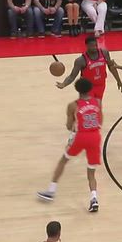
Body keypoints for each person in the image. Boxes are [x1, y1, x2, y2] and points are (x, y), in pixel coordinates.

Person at [36, 79, 104, 210]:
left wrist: (73, 126)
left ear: (77, 89)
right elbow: (100, 120)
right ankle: (94, 199)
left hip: (81, 136)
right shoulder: (97, 102)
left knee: (63, 161)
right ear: (90, 89)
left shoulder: (73, 105)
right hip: (95, 136)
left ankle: (51, 191)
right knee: (91, 172)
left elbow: (69, 126)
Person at [57, 36, 122, 100]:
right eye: (92, 46)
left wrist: (118, 80)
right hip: (87, 87)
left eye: (96, 45)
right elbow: (72, 76)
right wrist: (64, 84)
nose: (95, 47)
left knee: (97, 105)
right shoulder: (80, 60)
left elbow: (111, 67)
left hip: (101, 85)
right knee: (90, 105)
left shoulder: (104, 53)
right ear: (87, 46)